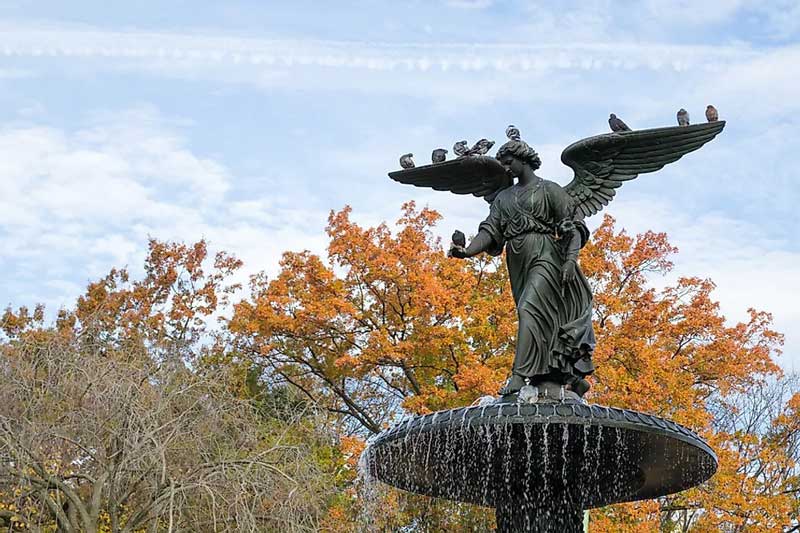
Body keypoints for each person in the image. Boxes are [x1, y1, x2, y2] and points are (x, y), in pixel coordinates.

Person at [449, 138, 595, 397]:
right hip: (517, 260)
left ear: (523, 159)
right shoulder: (504, 197)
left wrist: (571, 261)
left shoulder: (549, 190)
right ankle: (567, 375)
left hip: (546, 255)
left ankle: (520, 376)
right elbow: (491, 230)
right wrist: (468, 251)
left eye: (508, 163)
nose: (505, 169)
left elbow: (575, 226)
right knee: (538, 319)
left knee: (529, 308)